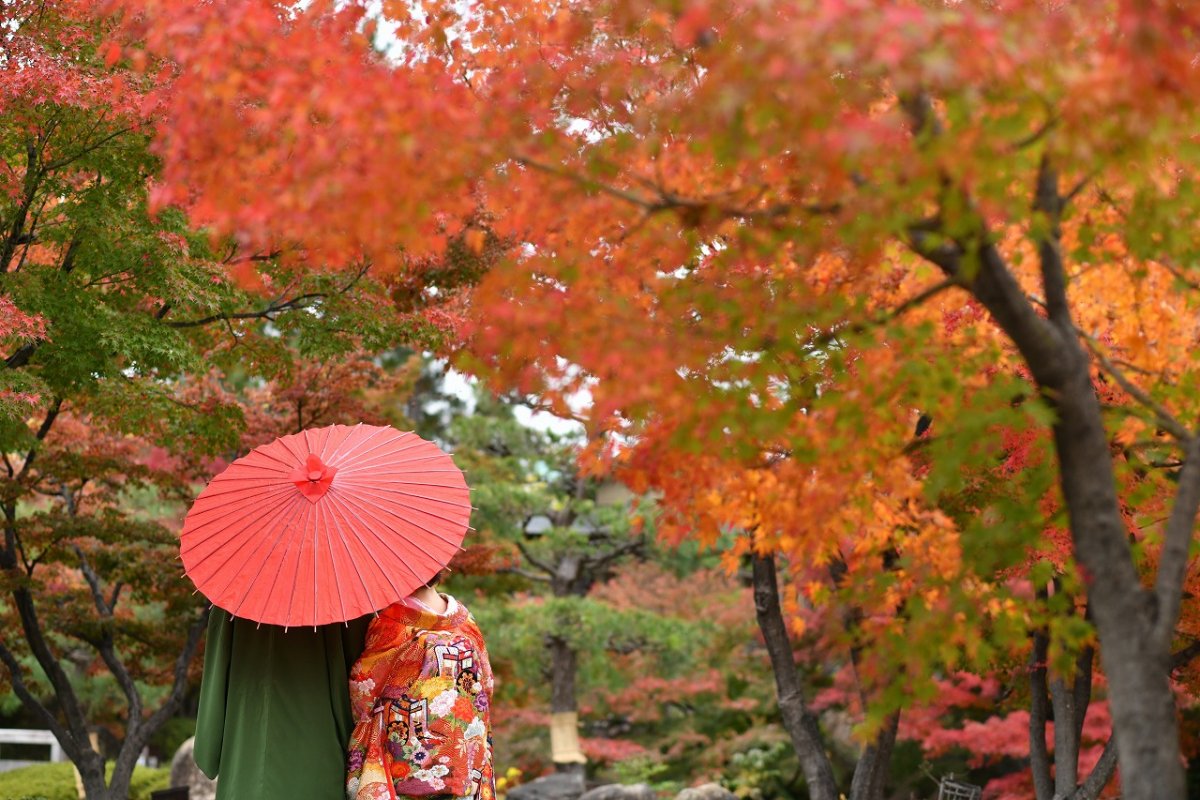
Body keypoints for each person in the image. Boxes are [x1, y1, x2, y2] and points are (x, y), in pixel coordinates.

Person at [193, 609, 372, 799]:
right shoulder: (342, 594)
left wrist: (209, 745)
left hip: (246, 754)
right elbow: (362, 679)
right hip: (320, 751)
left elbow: (217, 671)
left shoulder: (235, 593)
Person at [346, 573, 495, 800]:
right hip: (465, 755)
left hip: (408, 757)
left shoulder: (390, 622)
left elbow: (363, 688)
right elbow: (486, 686)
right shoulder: (466, 623)